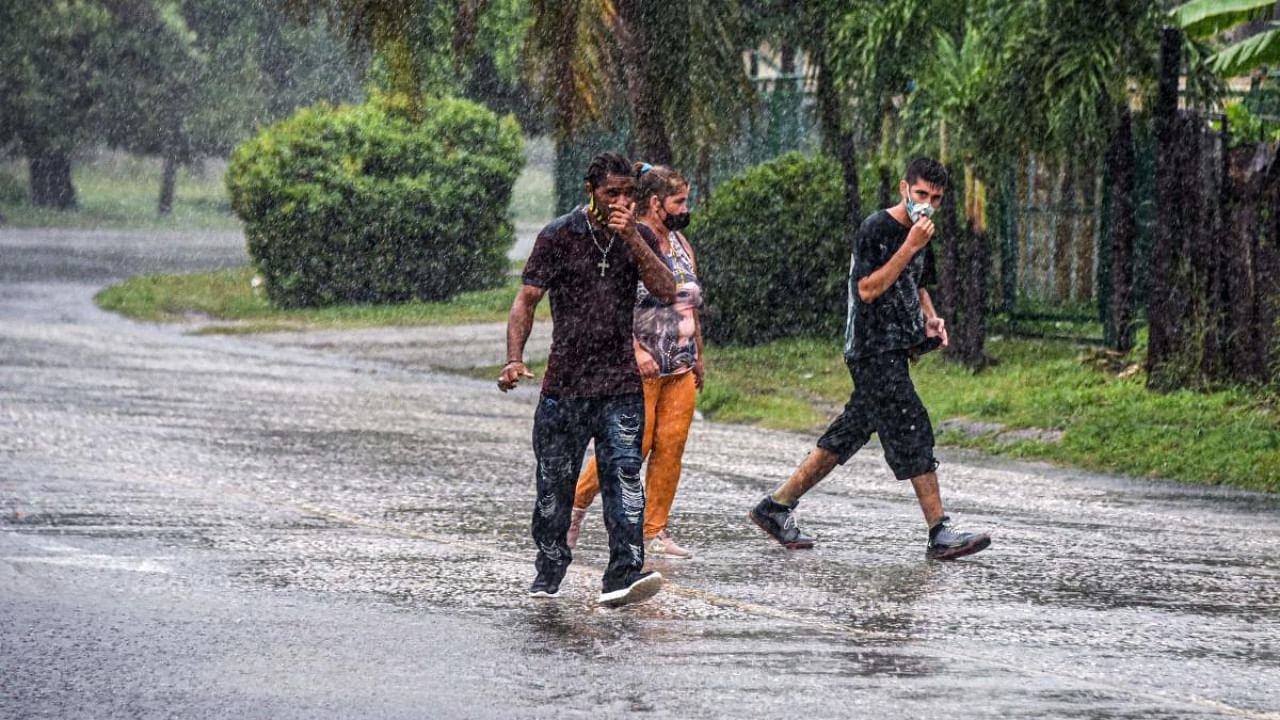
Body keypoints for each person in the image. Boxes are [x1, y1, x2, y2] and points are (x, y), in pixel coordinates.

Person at [748, 157, 991, 560]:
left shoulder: (923, 233)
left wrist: (931, 319)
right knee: (911, 424)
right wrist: (910, 244)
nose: (927, 204)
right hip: (870, 348)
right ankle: (939, 530)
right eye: (921, 195)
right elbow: (867, 289)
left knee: (849, 433)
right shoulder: (877, 229)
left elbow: (918, 284)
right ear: (903, 189)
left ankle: (776, 506)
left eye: (936, 198)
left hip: (897, 347)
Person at [499, 152, 677, 606]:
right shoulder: (559, 235)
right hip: (565, 387)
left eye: (627, 195)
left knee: (624, 479)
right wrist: (514, 358)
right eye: (610, 194)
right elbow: (527, 300)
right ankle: (550, 569)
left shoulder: (637, 236)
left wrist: (632, 239)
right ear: (590, 192)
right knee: (554, 488)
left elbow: (666, 289)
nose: (620, 202)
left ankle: (621, 575)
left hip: (620, 387)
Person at [567, 163, 704, 560]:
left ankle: (654, 530)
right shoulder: (633, 240)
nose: (685, 208)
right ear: (656, 202)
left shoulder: (681, 245)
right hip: (639, 365)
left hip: (679, 364)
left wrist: (698, 355)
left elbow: (689, 302)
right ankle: (574, 507)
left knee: (671, 446)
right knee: (633, 445)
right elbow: (613, 305)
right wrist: (636, 350)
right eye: (679, 200)